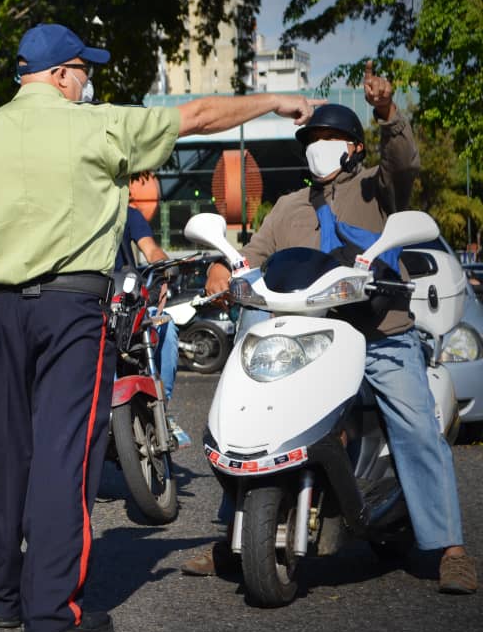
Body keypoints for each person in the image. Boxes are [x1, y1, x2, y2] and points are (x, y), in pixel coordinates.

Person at [0, 22, 321, 632]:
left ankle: (1, 595)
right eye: (83, 69)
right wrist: (275, 101)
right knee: (63, 456)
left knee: (1, 449)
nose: (88, 81)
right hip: (71, 311)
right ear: (58, 74)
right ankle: (52, 613)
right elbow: (198, 115)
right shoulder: (97, 124)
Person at [182, 62, 477, 595]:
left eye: (332, 138)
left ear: (354, 147)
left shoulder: (377, 190)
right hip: (307, 338)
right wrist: (221, 269)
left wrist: (386, 112)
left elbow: (403, 163)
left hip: (380, 332)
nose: (321, 146)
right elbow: (250, 258)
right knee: (253, 420)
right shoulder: (289, 208)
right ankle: (235, 537)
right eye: (314, 139)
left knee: (414, 424)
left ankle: (449, 548)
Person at [115, 174, 186, 447]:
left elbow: (151, 249)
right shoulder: (79, 216)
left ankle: (161, 406)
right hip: (92, 303)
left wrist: (163, 269)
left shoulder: (129, 215)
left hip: (130, 302)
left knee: (166, 329)